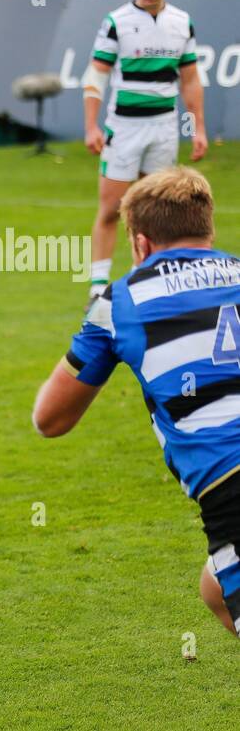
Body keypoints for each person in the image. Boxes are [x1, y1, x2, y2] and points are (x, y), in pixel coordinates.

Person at [35, 167, 238, 635]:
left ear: (140, 245)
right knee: (215, 588)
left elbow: (50, 419)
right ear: (208, 231)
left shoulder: (121, 301)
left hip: (230, 485)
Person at [81, 0, 206, 311]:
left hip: (164, 128)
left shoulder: (183, 23)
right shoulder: (116, 22)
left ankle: (147, 277)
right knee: (112, 208)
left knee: (159, 210)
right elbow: (96, 76)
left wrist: (198, 128)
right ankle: (98, 288)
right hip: (124, 129)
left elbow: (191, 79)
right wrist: (91, 126)